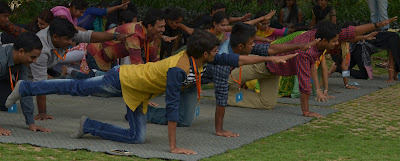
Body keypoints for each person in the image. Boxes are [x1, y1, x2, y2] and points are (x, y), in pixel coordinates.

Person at [6, 30, 296, 154]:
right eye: (215, 50)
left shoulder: (200, 57)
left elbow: (238, 59)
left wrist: (270, 59)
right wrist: (173, 147)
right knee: (76, 88)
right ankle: (27, 86)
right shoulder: (179, 69)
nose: (220, 53)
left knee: (137, 137)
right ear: (206, 52)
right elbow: (172, 108)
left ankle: (89, 125)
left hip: (139, 93)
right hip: (123, 80)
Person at [264, 17, 396, 118]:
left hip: (275, 66)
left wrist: (377, 25)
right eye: (334, 41)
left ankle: (242, 97)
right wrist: (306, 111)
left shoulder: (322, 36)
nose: (337, 43)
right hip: (264, 64)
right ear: (324, 41)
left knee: (267, 104)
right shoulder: (307, 51)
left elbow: (350, 32)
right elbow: (305, 80)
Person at [30, 17, 132, 120]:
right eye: (67, 40)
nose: (71, 42)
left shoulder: (62, 32)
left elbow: (90, 36)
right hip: (24, 63)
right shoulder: (41, 50)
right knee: (19, 89)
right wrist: (42, 113)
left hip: (45, 62)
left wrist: (116, 36)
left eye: (71, 39)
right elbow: (40, 84)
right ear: (55, 37)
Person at [0, 32, 50, 135]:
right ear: (21, 51)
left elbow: (24, 91)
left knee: (6, 103)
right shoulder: (2, 60)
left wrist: (30, 122)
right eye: (32, 57)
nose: (35, 61)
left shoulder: (22, 63)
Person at [86, 8, 165, 73]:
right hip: (97, 52)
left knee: (104, 83)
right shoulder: (135, 34)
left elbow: (153, 58)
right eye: (160, 27)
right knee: (98, 84)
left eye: (163, 26)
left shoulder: (148, 34)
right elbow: (137, 64)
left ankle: (75, 76)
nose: (163, 30)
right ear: (150, 26)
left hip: (108, 57)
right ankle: (75, 78)